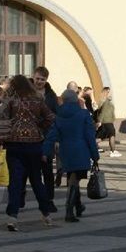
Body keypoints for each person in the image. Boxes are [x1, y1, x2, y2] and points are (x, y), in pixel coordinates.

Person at [0, 74, 56, 230]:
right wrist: (39, 127)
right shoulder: (37, 99)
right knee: (37, 180)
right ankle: (46, 214)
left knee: (15, 182)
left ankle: (12, 217)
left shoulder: (10, 100)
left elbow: (2, 121)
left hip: (14, 145)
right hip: (34, 145)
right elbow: (51, 117)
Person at [44, 89, 100, 222]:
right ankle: (69, 211)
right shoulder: (84, 114)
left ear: (63, 100)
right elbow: (90, 136)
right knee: (74, 180)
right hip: (81, 151)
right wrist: (95, 155)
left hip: (65, 151)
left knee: (73, 178)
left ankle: (79, 206)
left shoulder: (59, 116)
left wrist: (45, 151)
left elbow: (51, 136)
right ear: (76, 100)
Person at [32, 66, 59, 199]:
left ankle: (49, 198)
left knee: (47, 169)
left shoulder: (51, 96)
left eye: (42, 79)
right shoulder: (26, 92)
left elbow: (56, 116)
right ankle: (22, 197)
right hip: (29, 137)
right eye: (37, 78)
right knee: (29, 170)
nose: (39, 81)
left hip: (47, 137)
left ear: (46, 80)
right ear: (33, 77)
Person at [94, 86, 121, 157]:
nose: (110, 93)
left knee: (103, 136)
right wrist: (99, 121)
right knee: (111, 135)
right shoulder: (106, 101)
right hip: (107, 122)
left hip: (107, 121)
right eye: (108, 92)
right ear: (105, 93)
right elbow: (103, 112)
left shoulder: (106, 101)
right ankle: (113, 151)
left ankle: (89, 144)